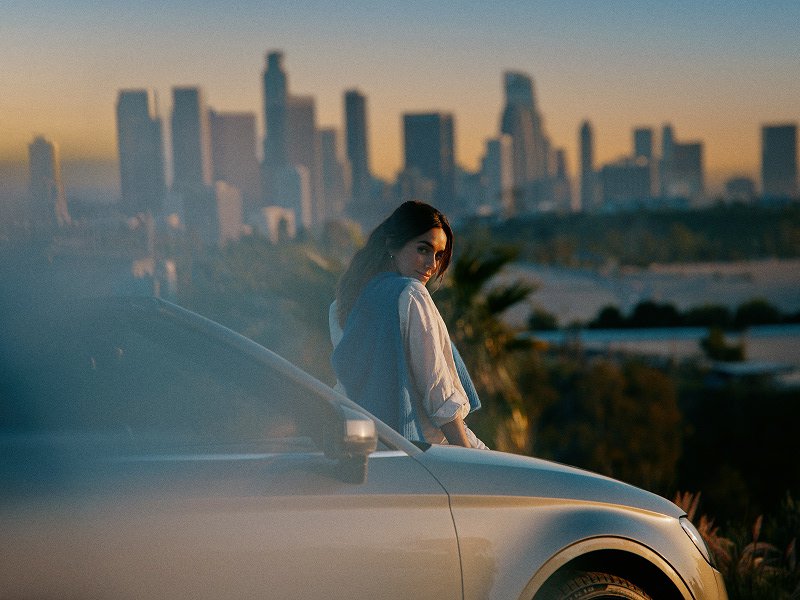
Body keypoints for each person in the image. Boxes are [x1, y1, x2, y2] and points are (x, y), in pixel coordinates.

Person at [330, 200, 487, 449]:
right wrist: (468, 460)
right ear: (393, 244)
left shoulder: (342, 305)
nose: (432, 265)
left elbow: (349, 384)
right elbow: (439, 395)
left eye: (439, 255)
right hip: (432, 449)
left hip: (372, 445)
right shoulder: (412, 294)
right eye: (423, 249)